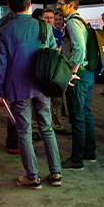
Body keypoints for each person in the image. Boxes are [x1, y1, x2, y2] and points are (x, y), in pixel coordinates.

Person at [0, 0, 62, 189]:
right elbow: (53, 55)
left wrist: (0, 92)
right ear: (29, 4)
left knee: (24, 132)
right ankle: (56, 173)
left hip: (17, 88)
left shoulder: (5, 30)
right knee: (47, 128)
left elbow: (1, 64)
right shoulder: (44, 27)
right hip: (42, 85)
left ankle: (32, 177)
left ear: (9, 6)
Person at [58, 0, 96, 170]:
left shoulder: (73, 22)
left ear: (70, 5)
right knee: (85, 113)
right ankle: (89, 152)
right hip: (87, 74)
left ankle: (77, 159)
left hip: (78, 75)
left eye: (61, 4)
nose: (58, 7)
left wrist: (73, 70)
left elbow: (79, 48)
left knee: (77, 116)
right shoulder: (80, 21)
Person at [43, 8, 70, 136]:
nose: (49, 20)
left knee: (57, 101)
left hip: (55, 71)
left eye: (51, 18)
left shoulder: (59, 33)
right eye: (47, 18)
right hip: (44, 71)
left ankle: (57, 126)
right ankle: (41, 127)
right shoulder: (40, 31)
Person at [0, 10, 19, 154]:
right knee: (16, 111)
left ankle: (14, 142)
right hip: (17, 79)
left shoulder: (3, 23)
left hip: (11, 78)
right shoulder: (12, 24)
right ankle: (13, 143)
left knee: (15, 111)